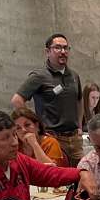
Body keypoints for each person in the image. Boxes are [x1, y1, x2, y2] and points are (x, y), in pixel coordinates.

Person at [12, 34, 84, 165]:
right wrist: (32, 126)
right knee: (57, 179)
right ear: (47, 52)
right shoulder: (38, 76)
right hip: (53, 139)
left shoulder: (74, 75)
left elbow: (79, 100)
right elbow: (17, 100)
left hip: (74, 140)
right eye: (57, 48)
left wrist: (79, 127)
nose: (63, 52)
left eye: (65, 48)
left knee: (79, 178)